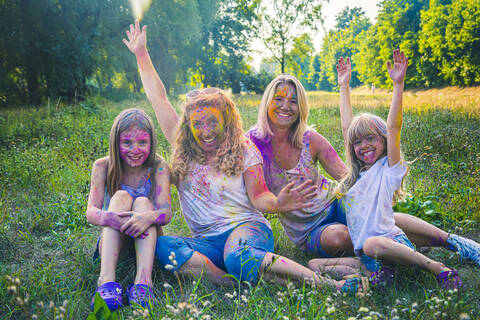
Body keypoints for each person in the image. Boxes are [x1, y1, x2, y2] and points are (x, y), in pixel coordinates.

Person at [122, 20, 361, 293]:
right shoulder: (183, 148)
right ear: (189, 125)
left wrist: (280, 203)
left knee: (238, 255)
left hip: (247, 229)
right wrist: (142, 54)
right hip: (207, 241)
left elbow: (260, 196)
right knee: (162, 247)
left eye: (213, 122)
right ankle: (226, 282)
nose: (206, 131)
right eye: (198, 124)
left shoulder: (243, 147)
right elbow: (159, 99)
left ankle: (328, 285)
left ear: (226, 120)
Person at [246, 64, 480, 268]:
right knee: (339, 237)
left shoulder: (310, 138)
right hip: (309, 230)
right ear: (267, 102)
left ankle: (455, 242)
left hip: (335, 203)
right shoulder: (252, 144)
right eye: (278, 99)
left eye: (293, 101)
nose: (285, 106)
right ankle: (394, 252)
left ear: (301, 107)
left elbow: (348, 173)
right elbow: (254, 194)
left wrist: (375, 189)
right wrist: (279, 204)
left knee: (378, 216)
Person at [308, 51, 461, 289]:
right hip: (367, 256)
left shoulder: (388, 169)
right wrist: (344, 86)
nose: (364, 145)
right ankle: (380, 275)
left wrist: (398, 85)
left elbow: (393, 127)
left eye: (371, 139)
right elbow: (347, 128)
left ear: (383, 141)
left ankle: (436, 268)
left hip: (388, 243)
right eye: (358, 142)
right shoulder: (357, 175)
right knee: (315, 265)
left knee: (371, 244)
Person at [86, 108, 172, 310]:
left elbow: (166, 213)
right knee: (121, 196)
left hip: (148, 243)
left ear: (151, 143)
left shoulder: (159, 167)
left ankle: (144, 284)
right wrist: (111, 218)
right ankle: (105, 281)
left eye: (142, 142)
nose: (135, 149)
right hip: (113, 244)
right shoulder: (102, 166)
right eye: (127, 143)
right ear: (116, 143)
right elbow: (90, 211)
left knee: (142, 203)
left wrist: (146, 218)